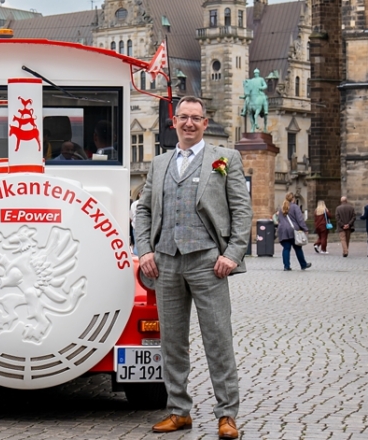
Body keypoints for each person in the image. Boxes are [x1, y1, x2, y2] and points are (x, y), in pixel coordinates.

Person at [133, 95, 250, 439]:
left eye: (195, 118)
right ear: (174, 122)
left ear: (204, 122)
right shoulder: (159, 163)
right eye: (183, 117)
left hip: (208, 262)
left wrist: (233, 254)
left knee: (218, 339)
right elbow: (143, 210)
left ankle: (227, 414)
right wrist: (145, 251)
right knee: (172, 341)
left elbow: (241, 211)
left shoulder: (224, 159)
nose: (188, 123)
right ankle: (179, 411)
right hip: (166, 262)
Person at [274, 194, 312, 271]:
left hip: (282, 230)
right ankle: (303, 264)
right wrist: (305, 229)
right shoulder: (295, 207)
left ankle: (286, 266)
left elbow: (279, 219)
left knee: (286, 248)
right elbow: (300, 220)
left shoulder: (282, 208)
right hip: (292, 230)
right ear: (293, 199)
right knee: (298, 248)